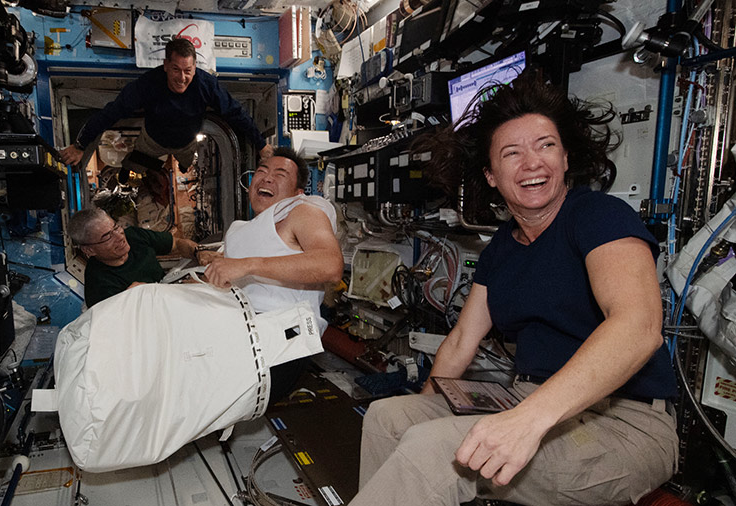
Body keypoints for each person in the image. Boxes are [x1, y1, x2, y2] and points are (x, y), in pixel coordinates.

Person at [350, 74, 678, 506]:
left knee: (434, 453)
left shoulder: (599, 216)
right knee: (388, 416)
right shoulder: (501, 248)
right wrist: (423, 412)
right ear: (490, 175)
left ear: (565, 159)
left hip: (622, 419)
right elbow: (461, 342)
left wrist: (527, 421)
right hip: (526, 399)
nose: (532, 163)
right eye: (512, 153)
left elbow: (638, 327)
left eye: (546, 145)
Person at [204, 146, 344, 399]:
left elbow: (330, 265)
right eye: (262, 170)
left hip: (279, 339)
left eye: (281, 174)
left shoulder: (301, 212)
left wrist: (248, 265)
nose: (267, 177)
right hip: (237, 327)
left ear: (297, 192)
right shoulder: (238, 230)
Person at [59, 38, 274, 169]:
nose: (182, 78)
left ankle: (182, 165)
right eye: (176, 70)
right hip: (152, 139)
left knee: (187, 162)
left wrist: (261, 144)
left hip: (186, 143)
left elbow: (236, 113)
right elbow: (111, 113)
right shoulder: (148, 85)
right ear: (165, 65)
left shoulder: (206, 85)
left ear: (195, 67)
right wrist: (80, 145)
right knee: (138, 161)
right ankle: (128, 170)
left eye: (188, 71)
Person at [68, 208, 206, 307]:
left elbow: (176, 243)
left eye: (116, 227)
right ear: (89, 250)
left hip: (168, 295)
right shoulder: (100, 287)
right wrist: (133, 297)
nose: (119, 237)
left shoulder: (134, 236)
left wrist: (198, 252)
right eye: (107, 237)